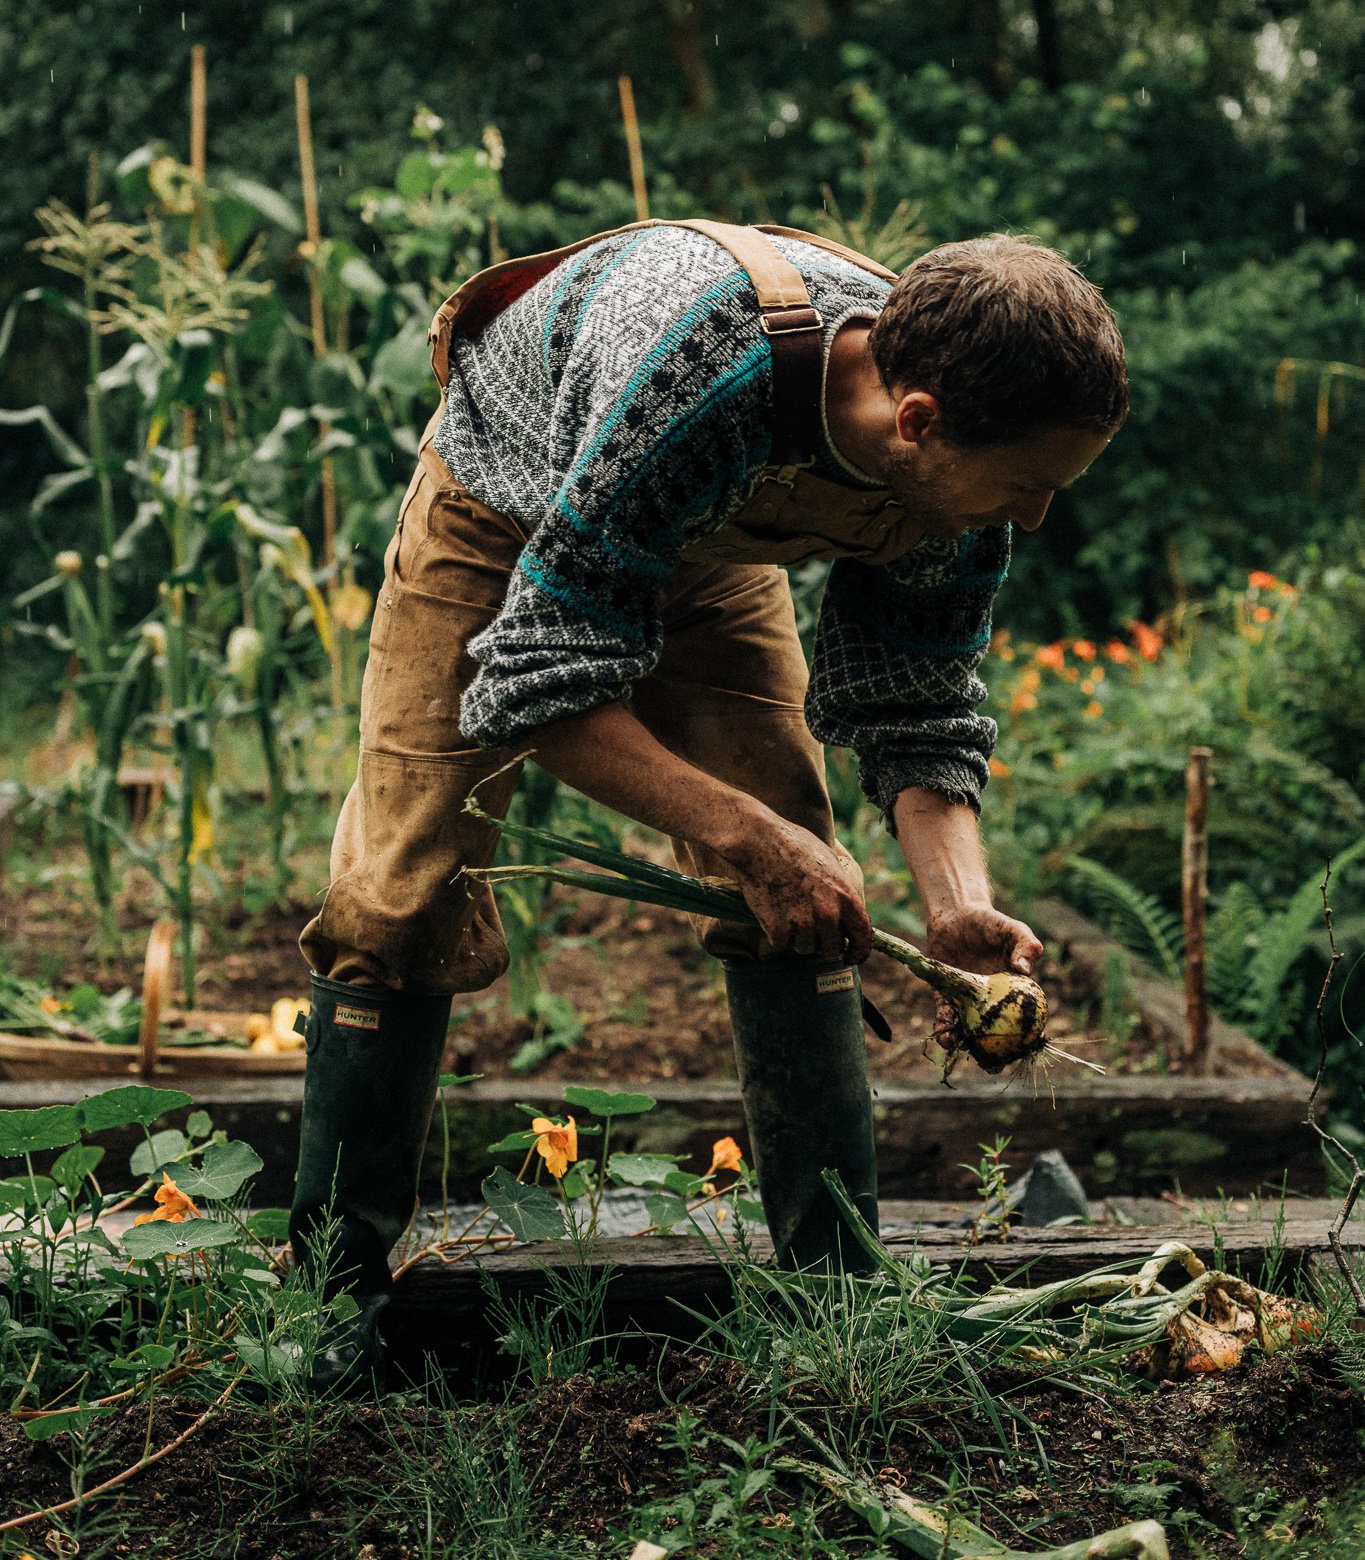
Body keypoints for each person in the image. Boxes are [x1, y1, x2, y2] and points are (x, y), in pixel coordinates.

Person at [288, 219, 1127, 1385]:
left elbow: (918, 706)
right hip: (506, 503)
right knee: (402, 888)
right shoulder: (702, 374)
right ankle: (331, 1296)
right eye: (1029, 487)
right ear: (918, 420)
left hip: (701, 534)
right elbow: (532, 684)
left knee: (797, 869)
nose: (1035, 518)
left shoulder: (956, 466)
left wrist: (957, 910)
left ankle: (836, 1289)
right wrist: (746, 837)